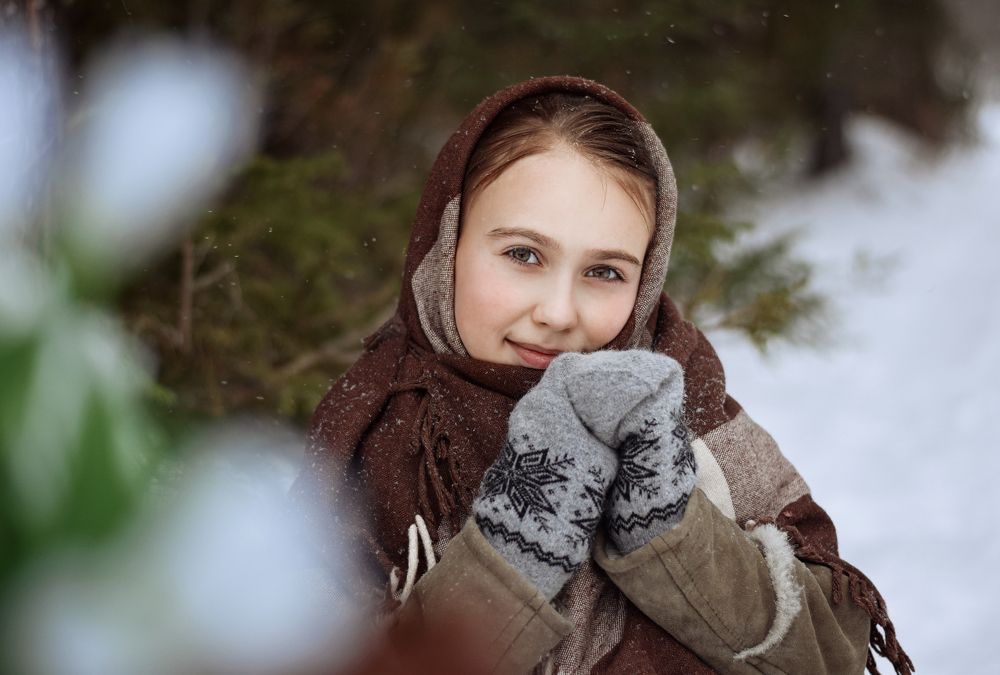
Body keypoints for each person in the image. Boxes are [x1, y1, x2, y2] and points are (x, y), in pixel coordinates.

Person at [292, 76, 911, 675]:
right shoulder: (372, 436)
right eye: (523, 255)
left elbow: (830, 654)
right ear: (447, 244)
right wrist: (510, 557)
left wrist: (672, 532)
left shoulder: (689, 413)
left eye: (605, 272)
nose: (559, 314)